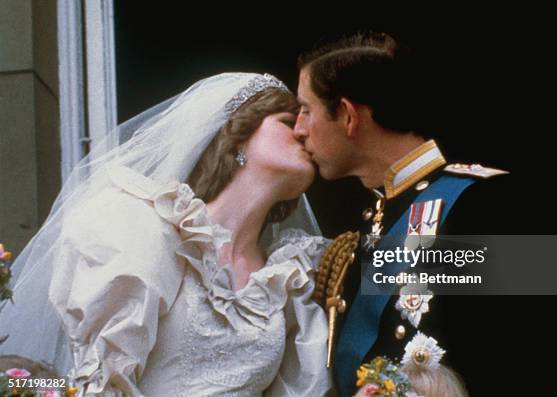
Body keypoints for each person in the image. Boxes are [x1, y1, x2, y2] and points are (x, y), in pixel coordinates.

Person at [0, 73, 332, 396]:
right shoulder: (143, 232)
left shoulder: (290, 277)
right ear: (239, 134)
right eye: (288, 122)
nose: (304, 133)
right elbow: (100, 384)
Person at [294, 32, 512, 396]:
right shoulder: (370, 220)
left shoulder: (481, 202)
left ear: (348, 117)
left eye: (306, 110)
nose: (299, 129)